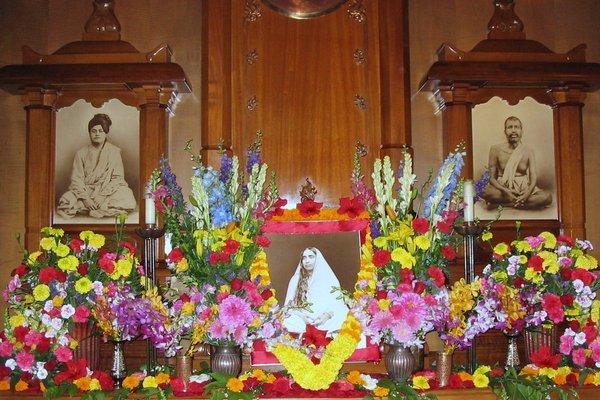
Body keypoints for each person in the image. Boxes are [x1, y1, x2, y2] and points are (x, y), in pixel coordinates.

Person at [57, 113, 136, 219]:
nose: (97, 134)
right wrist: (86, 199)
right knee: (66, 200)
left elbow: (118, 178)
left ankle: (93, 209)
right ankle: (94, 207)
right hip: (86, 191)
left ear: (105, 133)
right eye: (93, 131)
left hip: (107, 191)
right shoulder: (81, 153)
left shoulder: (114, 152)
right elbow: (76, 179)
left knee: (127, 196)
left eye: (100, 131)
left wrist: (102, 195)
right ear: (89, 133)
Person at [482, 116, 552, 210]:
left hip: (523, 188)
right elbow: (491, 178)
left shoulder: (528, 151)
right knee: (483, 191)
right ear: (505, 131)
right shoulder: (495, 149)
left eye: (517, 127)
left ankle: (506, 204)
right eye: (510, 127)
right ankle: (521, 203)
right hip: (503, 187)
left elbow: (533, 176)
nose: (513, 130)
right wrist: (506, 191)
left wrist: (527, 193)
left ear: (521, 131)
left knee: (547, 197)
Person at [283, 247, 349, 335]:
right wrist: (303, 317)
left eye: (311, 257)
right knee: (288, 321)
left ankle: (326, 334)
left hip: (325, 318)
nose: (307, 261)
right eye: (304, 258)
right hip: (303, 319)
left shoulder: (329, 278)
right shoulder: (295, 280)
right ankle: (307, 334)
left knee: (343, 315)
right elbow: (288, 306)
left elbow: (337, 303)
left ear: (318, 259)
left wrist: (326, 316)